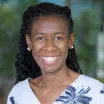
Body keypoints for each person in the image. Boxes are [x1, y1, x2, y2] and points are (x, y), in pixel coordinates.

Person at [7, 2, 104, 104]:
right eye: (40, 38)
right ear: (29, 42)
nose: (49, 47)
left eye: (58, 38)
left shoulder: (97, 94)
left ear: (70, 40)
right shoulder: (17, 94)